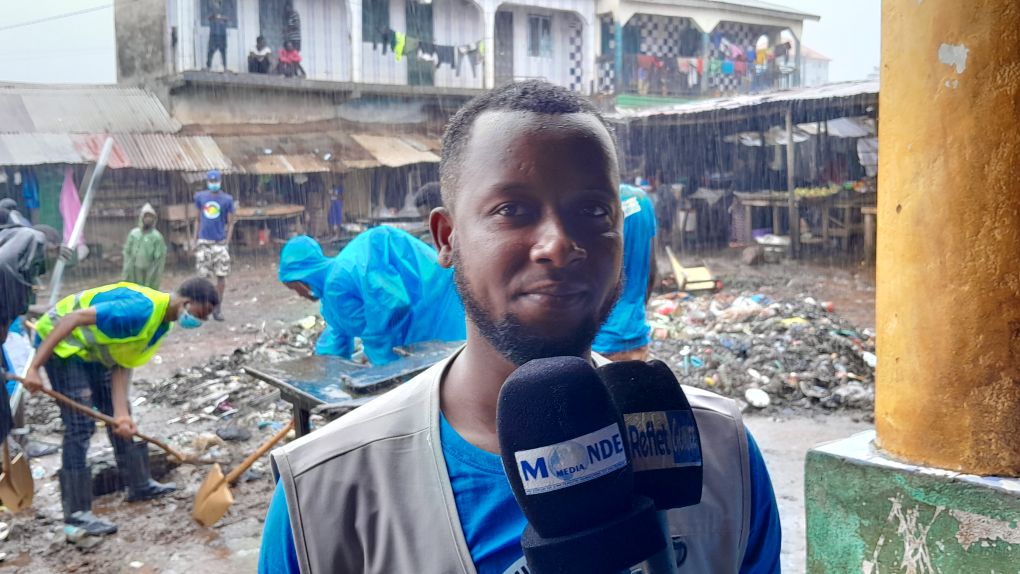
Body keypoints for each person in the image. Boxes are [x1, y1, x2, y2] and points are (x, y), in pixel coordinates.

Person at [259, 80, 780, 573]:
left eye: (594, 210)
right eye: (512, 209)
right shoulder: (324, 495)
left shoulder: (720, 452)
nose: (557, 243)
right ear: (445, 237)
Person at [22, 278, 219, 535]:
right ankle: (76, 513)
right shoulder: (140, 310)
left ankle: (139, 484)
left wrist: (122, 414)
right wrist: (34, 368)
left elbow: (122, 363)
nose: (200, 322)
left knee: (121, 416)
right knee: (80, 425)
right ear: (186, 302)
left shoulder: (161, 324)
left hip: (91, 354)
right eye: (200, 315)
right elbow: (73, 318)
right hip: (63, 346)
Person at [277, 227, 465, 363]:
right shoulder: (332, 293)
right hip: (429, 307)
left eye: (294, 288)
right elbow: (337, 332)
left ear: (301, 278)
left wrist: (383, 366)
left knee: (449, 369)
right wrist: (325, 365)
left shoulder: (338, 282)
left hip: (435, 307)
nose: (299, 294)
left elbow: (391, 308)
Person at [592, 184, 657, 362]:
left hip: (599, 344)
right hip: (637, 338)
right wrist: (636, 314)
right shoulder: (642, 200)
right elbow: (652, 270)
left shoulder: (596, 203)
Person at [193, 169, 234, 321]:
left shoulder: (227, 200)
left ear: (220, 182)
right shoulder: (200, 197)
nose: (213, 184)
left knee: (221, 276)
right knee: (202, 278)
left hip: (219, 242)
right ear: (207, 182)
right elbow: (197, 219)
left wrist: (227, 242)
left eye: (215, 181)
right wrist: (194, 239)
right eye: (211, 181)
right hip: (204, 241)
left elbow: (231, 223)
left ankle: (217, 308)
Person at [122, 203, 166, 290]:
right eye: (146, 216)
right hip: (134, 268)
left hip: (149, 269)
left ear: (154, 219)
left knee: (148, 290)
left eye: (151, 216)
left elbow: (159, 258)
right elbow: (127, 251)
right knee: (135, 289)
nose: (148, 219)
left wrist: (154, 272)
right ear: (141, 217)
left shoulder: (157, 237)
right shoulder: (134, 234)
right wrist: (128, 267)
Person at [206, 0, 228, 71]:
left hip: (222, 33)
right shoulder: (210, 7)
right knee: (210, 50)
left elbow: (227, 17)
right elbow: (207, 17)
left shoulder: (225, 7)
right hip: (213, 33)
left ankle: (225, 67)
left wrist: (220, 17)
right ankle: (208, 66)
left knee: (223, 51)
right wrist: (213, 16)